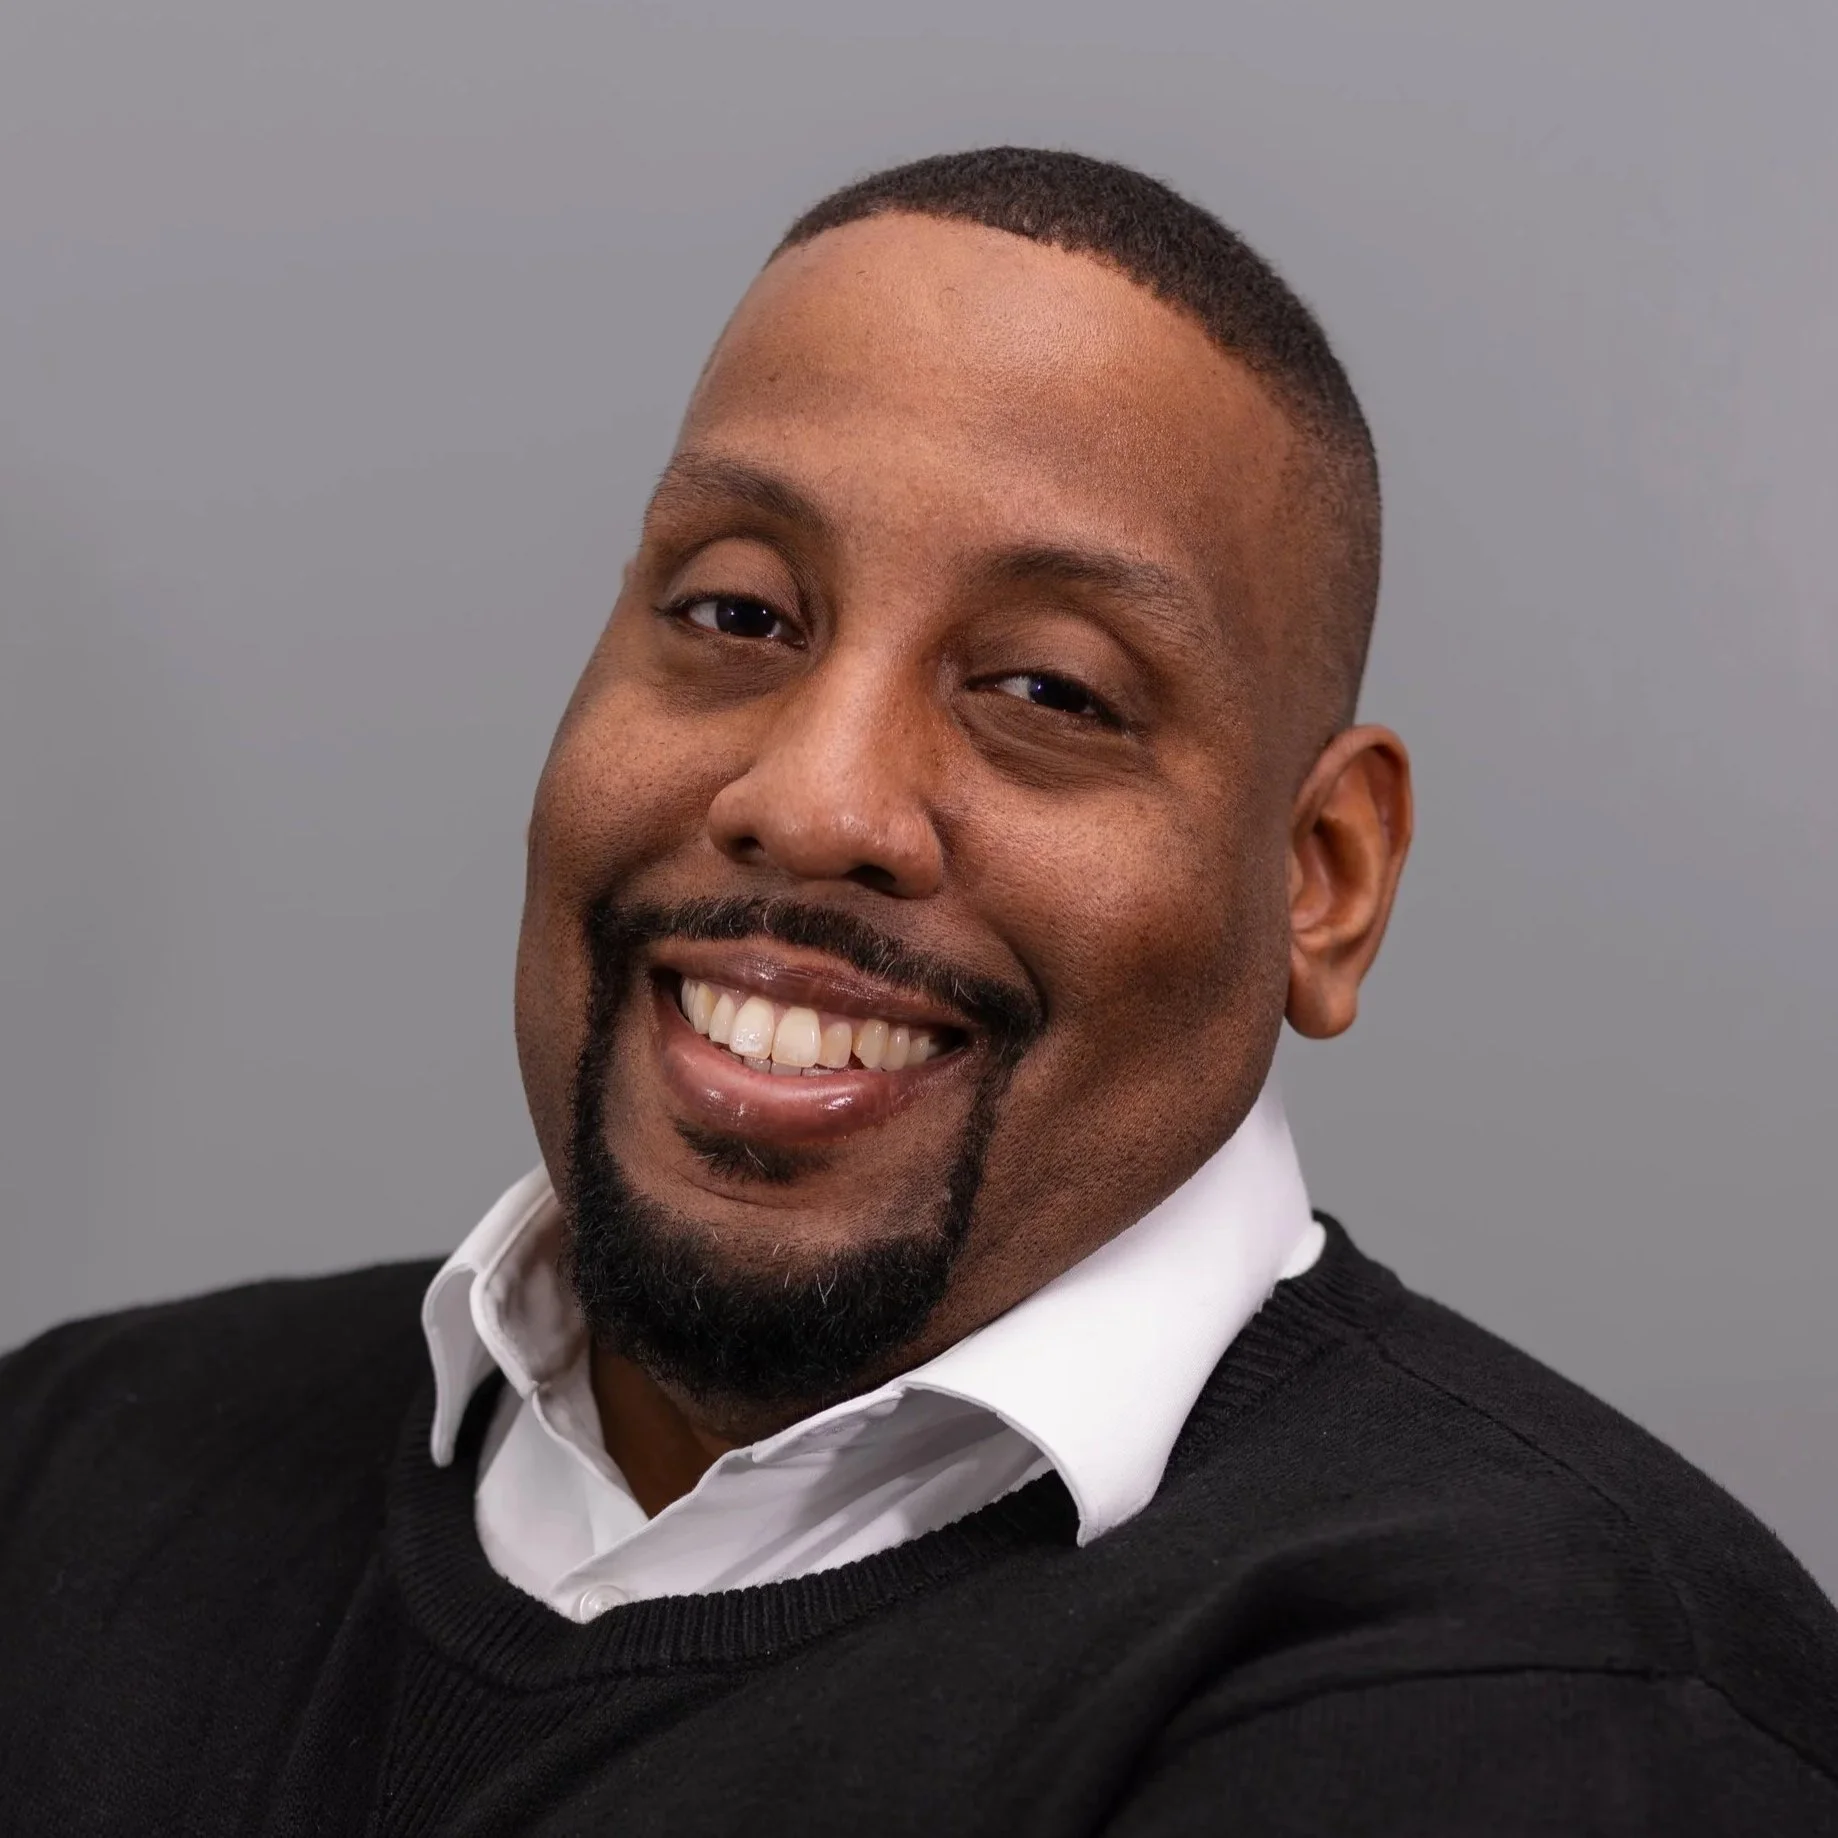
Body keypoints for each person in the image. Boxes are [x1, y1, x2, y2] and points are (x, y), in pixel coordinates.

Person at [2, 146, 1834, 1837]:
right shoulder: (70, 1467)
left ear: (1321, 881)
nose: (811, 797)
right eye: (735, 612)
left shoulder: (1527, 1703)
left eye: (1046, 690)